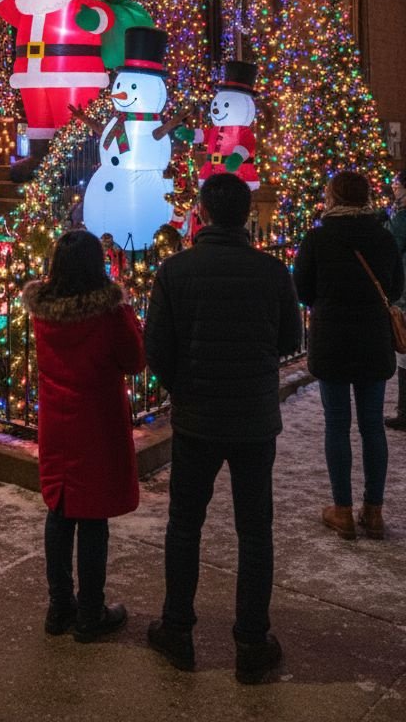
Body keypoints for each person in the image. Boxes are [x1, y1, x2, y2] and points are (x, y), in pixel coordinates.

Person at [144, 173, 301, 685]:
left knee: (184, 526)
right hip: (254, 418)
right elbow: (288, 339)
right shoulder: (272, 271)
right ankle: (252, 641)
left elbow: (157, 350)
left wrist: (182, 385)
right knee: (255, 531)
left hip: (197, 418)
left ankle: (178, 629)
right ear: (245, 215)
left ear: (202, 214)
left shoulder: (175, 269)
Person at [21, 229, 145, 643]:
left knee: (60, 509)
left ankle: (59, 607)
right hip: (97, 419)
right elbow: (134, 360)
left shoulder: (44, 310)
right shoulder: (109, 313)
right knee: (93, 517)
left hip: (58, 419)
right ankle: (90, 611)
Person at [293, 170, 403, 540]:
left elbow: (302, 290)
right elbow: (396, 286)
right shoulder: (383, 238)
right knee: (372, 425)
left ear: (333, 198)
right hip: (373, 340)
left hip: (333, 340)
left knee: (336, 424)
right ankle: (373, 511)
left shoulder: (317, 239)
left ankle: (342, 510)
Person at [385, 168, 406, 430]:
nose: (394, 190)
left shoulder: (401, 217)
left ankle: (404, 412)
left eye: (397, 186)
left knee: (404, 352)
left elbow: (390, 243)